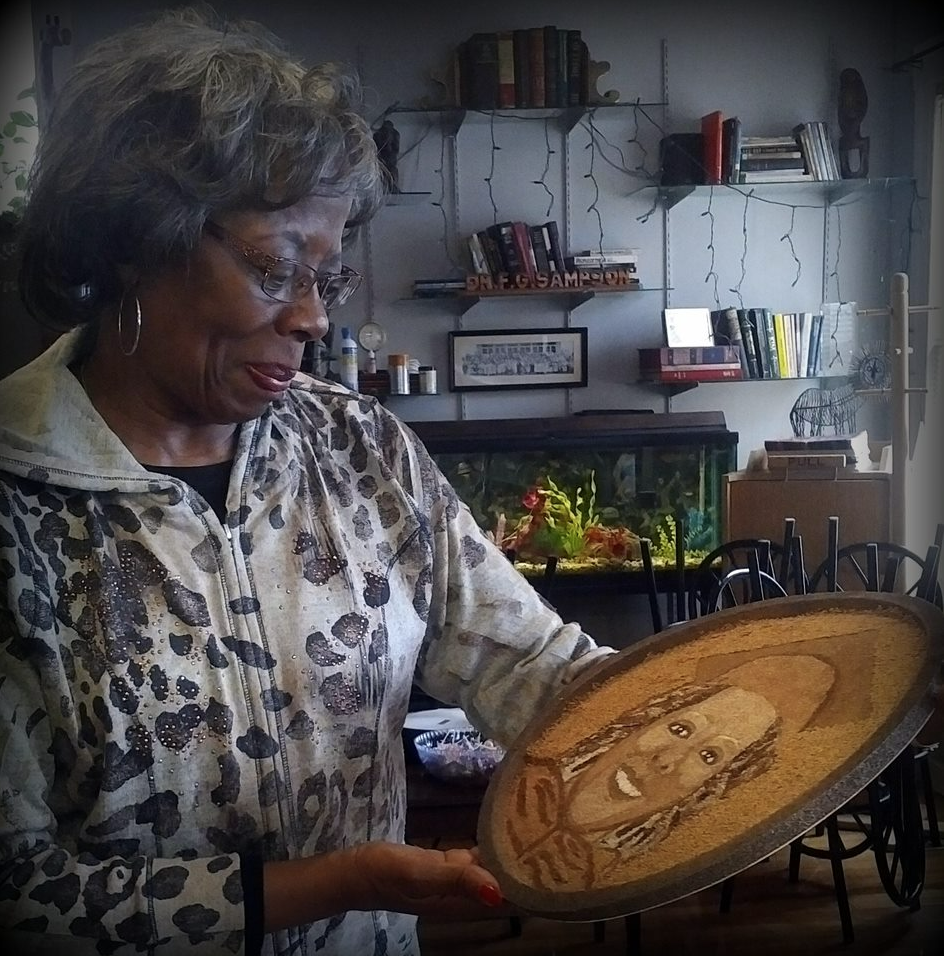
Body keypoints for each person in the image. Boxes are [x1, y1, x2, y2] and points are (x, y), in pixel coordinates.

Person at [0, 8, 613, 955]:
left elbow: (528, 663)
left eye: (326, 277)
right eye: (276, 266)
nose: (310, 319)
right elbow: (21, 892)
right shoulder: (17, 500)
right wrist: (337, 881)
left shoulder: (358, 447)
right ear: (130, 240)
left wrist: (715, 707)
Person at [500, 653, 836, 892]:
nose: (667, 760)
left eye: (709, 756)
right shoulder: (522, 787)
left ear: (710, 788)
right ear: (643, 720)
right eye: (680, 729)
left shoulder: (616, 869)